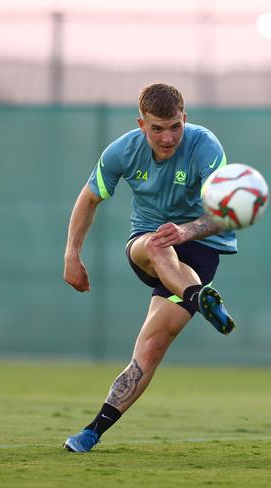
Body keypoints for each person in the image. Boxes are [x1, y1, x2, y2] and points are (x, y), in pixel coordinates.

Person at [62, 83, 238, 452]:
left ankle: (92, 431)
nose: (168, 137)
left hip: (200, 249)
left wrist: (186, 230)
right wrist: (72, 255)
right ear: (141, 125)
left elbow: (223, 215)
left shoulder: (205, 145)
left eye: (175, 126)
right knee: (158, 244)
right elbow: (89, 198)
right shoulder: (122, 151)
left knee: (154, 344)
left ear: (184, 120)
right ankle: (199, 297)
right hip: (147, 245)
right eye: (157, 128)